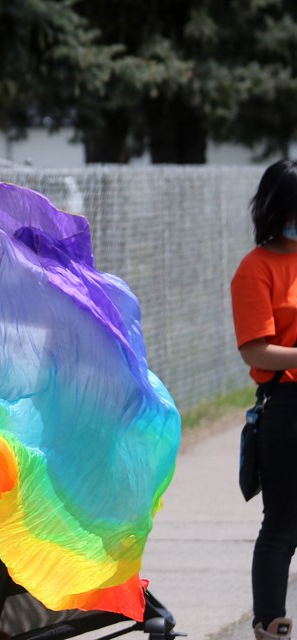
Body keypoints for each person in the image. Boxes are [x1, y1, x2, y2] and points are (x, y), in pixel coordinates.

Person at [231, 159, 297, 640]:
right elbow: (256, 349)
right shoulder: (255, 269)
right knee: (283, 527)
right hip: (287, 407)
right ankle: (270, 624)